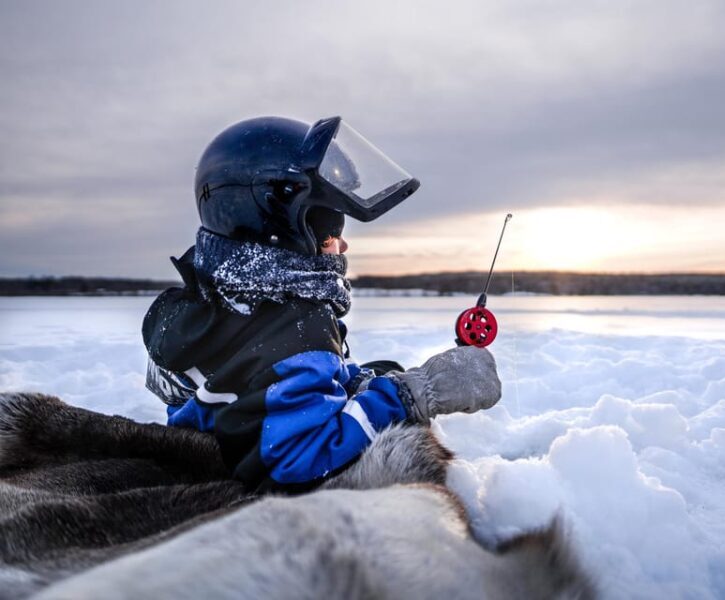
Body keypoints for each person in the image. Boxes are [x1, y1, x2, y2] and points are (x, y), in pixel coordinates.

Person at [142, 116, 501, 493]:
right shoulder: (298, 326)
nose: (342, 246)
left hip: (217, 443)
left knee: (382, 370)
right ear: (285, 233)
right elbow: (302, 461)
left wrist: (369, 382)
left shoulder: (213, 301)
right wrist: (417, 392)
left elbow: (260, 380)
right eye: (330, 235)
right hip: (263, 481)